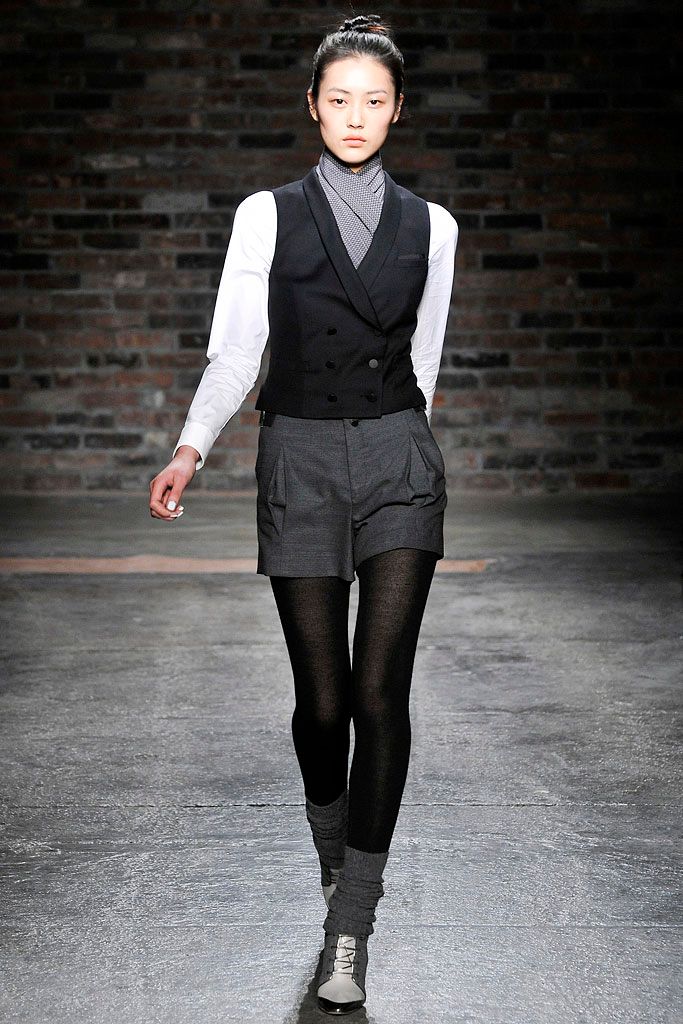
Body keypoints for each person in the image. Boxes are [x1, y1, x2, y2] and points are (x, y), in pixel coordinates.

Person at [149, 13, 458, 1016]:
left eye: (374, 100)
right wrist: (191, 446)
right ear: (312, 107)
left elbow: (423, 363)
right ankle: (335, 857)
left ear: (397, 110)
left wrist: (405, 441)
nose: (355, 115)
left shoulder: (434, 227)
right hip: (300, 458)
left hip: (398, 459)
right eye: (338, 99)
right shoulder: (266, 215)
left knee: (380, 694)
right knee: (323, 705)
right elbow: (237, 350)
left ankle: (351, 921)